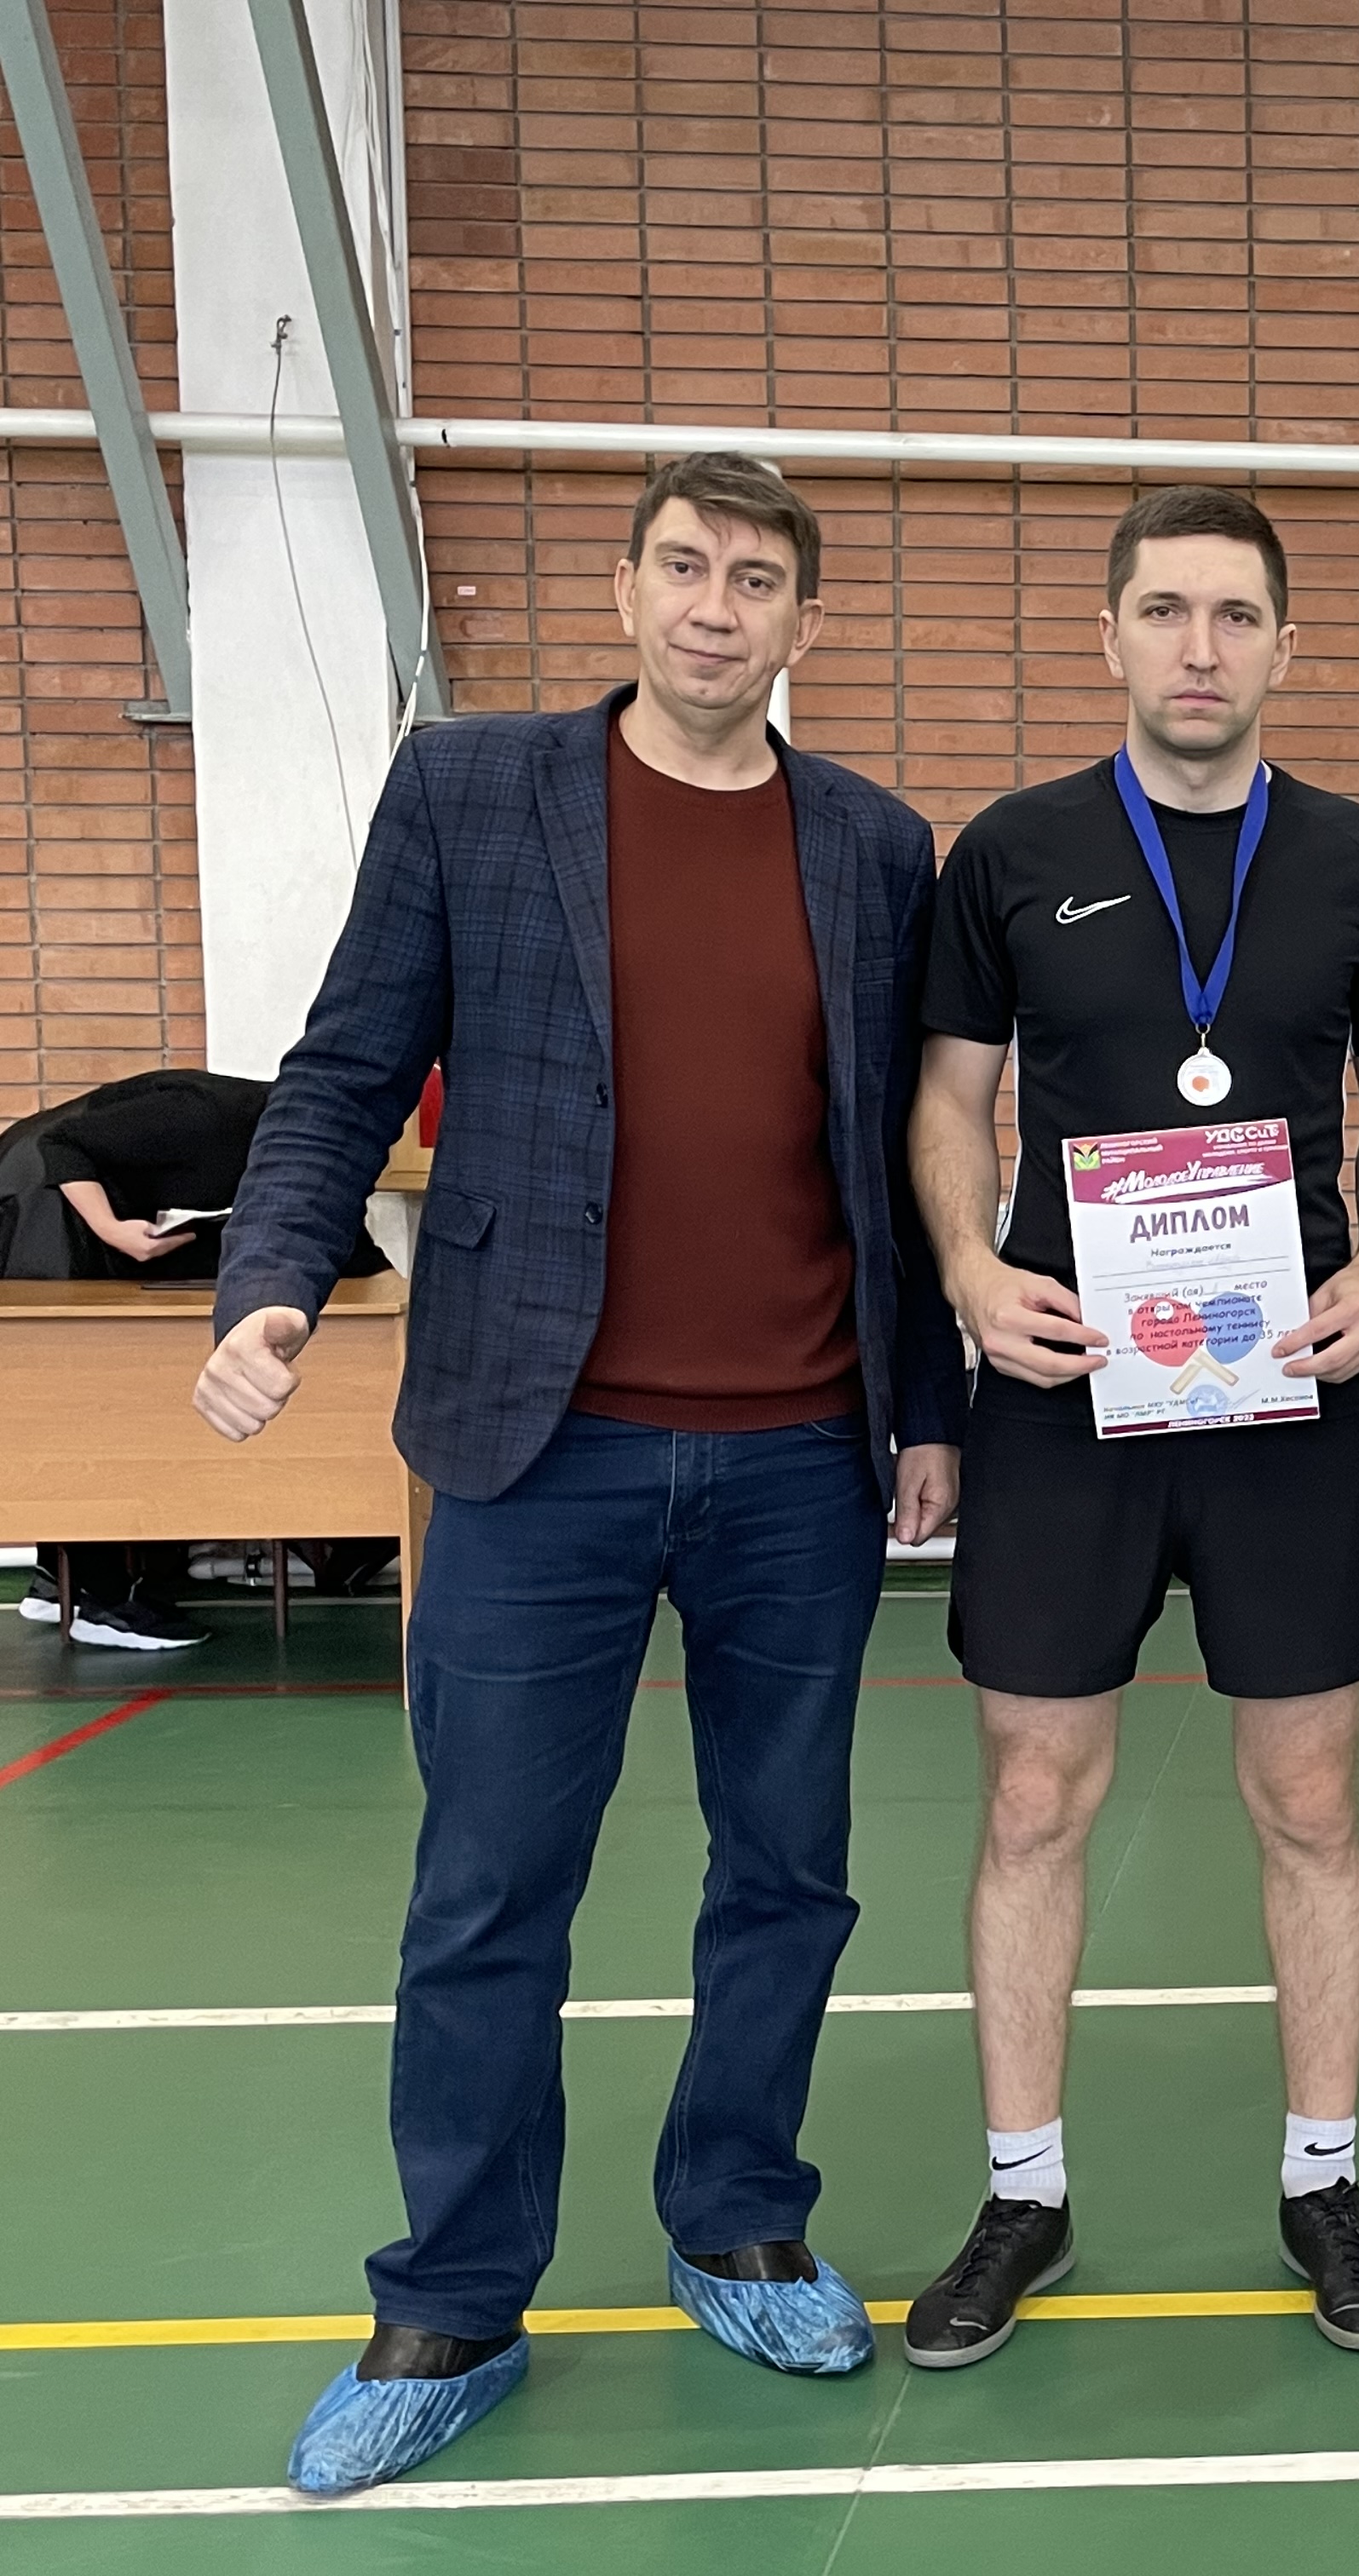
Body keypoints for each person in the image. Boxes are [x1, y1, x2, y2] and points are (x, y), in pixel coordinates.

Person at [194, 452, 968, 2492]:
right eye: (685, 568)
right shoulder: (473, 791)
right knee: (488, 1890)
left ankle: (738, 2218)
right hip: (535, 1448)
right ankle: (452, 2300)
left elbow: (904, 1146)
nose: (718, 606)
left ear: (805, 622)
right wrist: (271, 1284)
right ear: (625, 590)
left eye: (759, 579)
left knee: (787, 1872)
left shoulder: (874, 846)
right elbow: (345, 1069)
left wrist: (933, 1409)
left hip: (801, 1456)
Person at [902, 485, 1359, 2364]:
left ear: (1286, 644)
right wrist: (970, 1270)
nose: (1198, 648)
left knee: (1309, 1799)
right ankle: (1022, 2193)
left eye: (1232, 615)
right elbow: (952, 1096)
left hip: (1284, 1385)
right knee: (1033, 1796)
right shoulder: (1012, 850)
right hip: (1067, 1383)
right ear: (1111, 634)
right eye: (1164, 611)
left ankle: (1324, 2179)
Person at [4, 1069, 383, 1648]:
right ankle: (103, 1599)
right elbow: (63, 1145)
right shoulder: (210, 1118)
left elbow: (343, 1242)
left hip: (100, 1210)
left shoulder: (307, 1156)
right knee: (86, 1390)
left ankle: (59, 1580)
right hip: (43, 1194)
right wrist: (113, 1230)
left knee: (105, 1381)